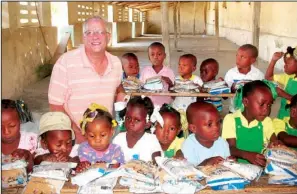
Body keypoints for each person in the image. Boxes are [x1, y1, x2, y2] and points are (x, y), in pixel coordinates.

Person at [48, 16, 125, 143]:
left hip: (104, 139)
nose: (95, 37)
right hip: (74, 140)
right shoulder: (65, 63)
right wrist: (77, 134)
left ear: (108, 36)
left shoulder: (116, 63)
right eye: (89, 33)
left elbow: (117, 86)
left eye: (100, 32)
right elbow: (55, 105)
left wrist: (121, 93)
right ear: (83, 38)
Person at [222, 80, 281, 167]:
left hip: (260, 169)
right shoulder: (231, 119)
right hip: (237, 169)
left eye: (269, 105)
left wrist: (276, 145)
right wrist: (247, 155)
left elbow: (274, 142)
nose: (266, 110)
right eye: (262, 104)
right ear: (246, 102)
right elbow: (231, 148)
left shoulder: (266, 121)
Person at [113, 96, 162, 162]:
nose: (131, 123)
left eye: (137, 120)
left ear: (147, 123)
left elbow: (157, 160)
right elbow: (113, 161)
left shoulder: (151, 140)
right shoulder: (119, 139)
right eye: (128, 118)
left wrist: (156, 161)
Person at [182, 102, 230, 166]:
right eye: (209, 124)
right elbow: (189, 173)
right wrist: (206, 163)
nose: (216, 127)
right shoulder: (189, 145)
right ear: (193, 128)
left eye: (218, 122)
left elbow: (227, 166)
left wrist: (230, 162)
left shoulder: (222, 143)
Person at [224, 44, 264, 113]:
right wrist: (231, 88)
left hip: (252, 112)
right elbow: (224, 97)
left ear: (252, 60)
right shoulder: (231, 73)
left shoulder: (258, 75)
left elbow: (262, 94)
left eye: (242, 57)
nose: (238, 59)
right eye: (237, 55)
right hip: (234, 111)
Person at [2, 99, 38, 172]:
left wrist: (29, 156)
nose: (6, 132)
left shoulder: (31, 141)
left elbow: (39, 167)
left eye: (12, 126)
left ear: (20, 122)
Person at [265, 46, 297, 119]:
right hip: (283, 116)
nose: (284, 66)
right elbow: (268, 77)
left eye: (287, 64)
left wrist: (284, 95)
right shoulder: (289, 77)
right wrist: (273, 61)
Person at [140, 42, 175, 106]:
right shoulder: (145, 71)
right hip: (147, 105)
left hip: (164, 105)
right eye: (152, 54)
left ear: (164, 56)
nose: (155, 57)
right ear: (149, 57)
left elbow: (173, 93)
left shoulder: (169, 72)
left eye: (159, 54)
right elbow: (140, 88)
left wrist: (170, 83)